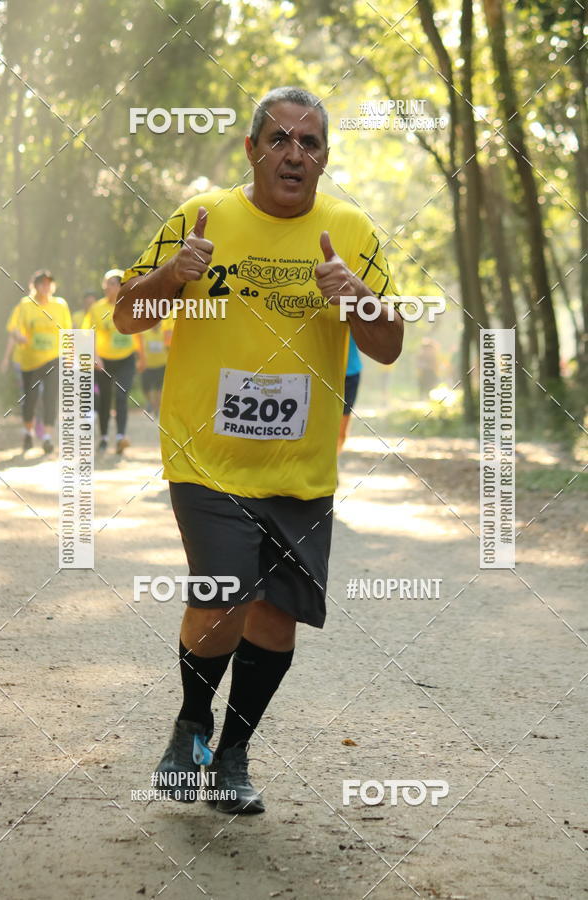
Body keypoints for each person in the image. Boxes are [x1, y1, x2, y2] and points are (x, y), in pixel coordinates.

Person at [114, 86, 403, 815]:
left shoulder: (352, 230)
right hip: (206, 457)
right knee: (222, 598)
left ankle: (233, 754)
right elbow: (128, 316)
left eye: (309, 144)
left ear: (325, 159)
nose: (294, 154)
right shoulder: (201, 218)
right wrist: (173, 275)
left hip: (300, 468)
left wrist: (357, 297)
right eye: (279, 140)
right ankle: (189, 726)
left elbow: (390, 344)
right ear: (251, 150)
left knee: (275, 618)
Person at [11, 270, 72, 454]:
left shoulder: (60, 305)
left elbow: (67, 332)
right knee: (30, 398)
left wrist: (69, 356)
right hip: (30, 359)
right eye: (41, 283)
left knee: (50, 396)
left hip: (53, 357)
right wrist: (19, 337)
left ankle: (47, 437)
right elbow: (14, 328)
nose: (45, 287)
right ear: (34, 285)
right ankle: (28, 432)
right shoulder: (25, 305)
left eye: (48, 283)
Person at [83, 269, 138, 454]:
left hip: (126, 359)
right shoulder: (96, 309)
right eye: (106, 283)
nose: (108, 287)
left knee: (122, 395)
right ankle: (104, 437)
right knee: (105, 400)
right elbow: (88, 334)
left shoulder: (131, 305)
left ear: (121, 285)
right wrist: (95, 357)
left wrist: (143, 356)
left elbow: (139, 332)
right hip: (104, 360)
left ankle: (121, 437)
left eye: (113, 283)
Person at [137, 317, 173, 417]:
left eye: (159, 322)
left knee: (159, 389)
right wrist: (140, 361)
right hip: (148, 365)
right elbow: (140, 348)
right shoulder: (144, 334)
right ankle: (151, 403)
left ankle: (157, 409)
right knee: (146, 389)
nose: (157, 324)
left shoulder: (165, 333)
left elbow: (170, 347)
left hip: (162, 365)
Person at [338, 333, 363, 453]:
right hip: (324, 372)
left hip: (351, 373)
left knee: (343, 420)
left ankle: (335, 459)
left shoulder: (354, 313)